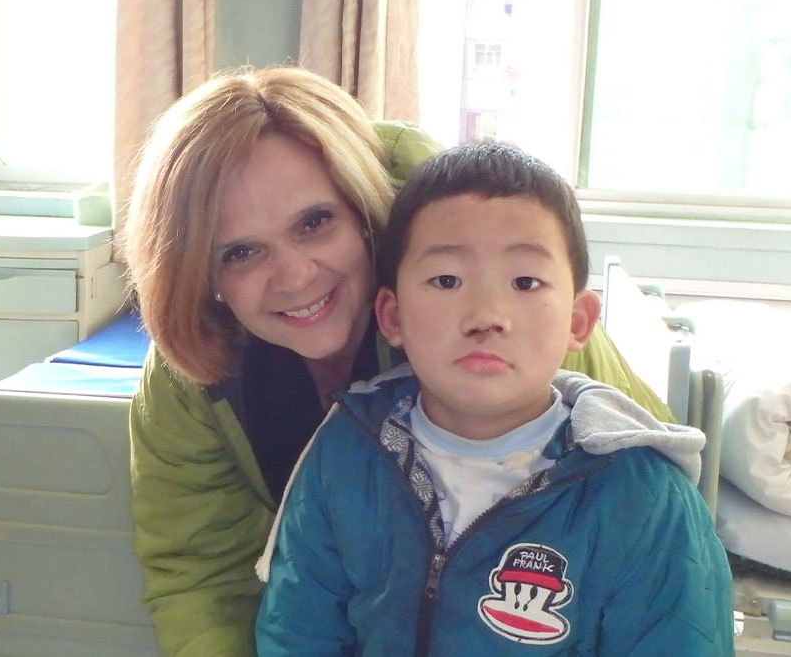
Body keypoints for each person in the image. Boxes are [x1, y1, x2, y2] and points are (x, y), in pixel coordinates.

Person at [123, 66, 676, 657]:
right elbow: (203, 578)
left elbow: (650, 518)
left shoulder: (513, 322)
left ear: (366, 214)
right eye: (240, 252)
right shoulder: (190, 381)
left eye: (315, 222)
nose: (294, 276)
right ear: (201, 276)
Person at [255, 142, 734, 655]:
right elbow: (298, 633)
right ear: (392, 316)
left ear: (578, 322)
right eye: (447, 280)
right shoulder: (346, 455)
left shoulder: (644, 498)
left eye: (525, 282)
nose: (487, 315)